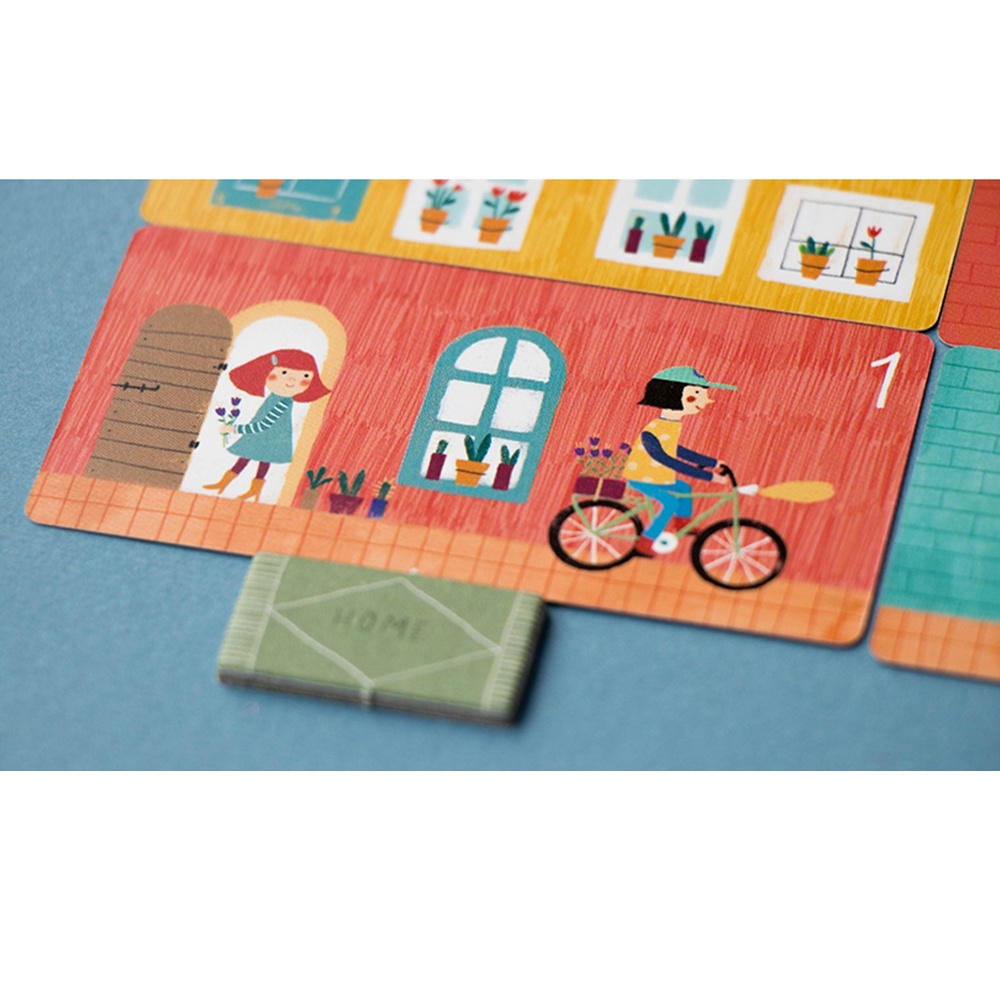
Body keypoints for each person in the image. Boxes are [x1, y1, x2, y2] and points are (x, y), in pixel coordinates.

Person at [624, 365, 737, 557]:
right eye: (696, 394)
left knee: (684, 488)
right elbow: (666, 459)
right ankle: (646, 541)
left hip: (656, 476)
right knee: (669, 503)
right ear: (673, 395)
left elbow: (676, 450)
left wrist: (712, 462)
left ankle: (682, 522)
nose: (705, 400)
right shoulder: (654, 429)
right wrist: (708, 476)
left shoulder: (670, 425)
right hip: (642, 476)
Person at [203, 349, 331, 501]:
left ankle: (252, 490)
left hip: (270, 437)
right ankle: (225, 484)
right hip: (263, 437)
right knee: (248, 459)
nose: (291, 381)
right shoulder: (275, 397)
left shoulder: (283, 402)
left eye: (305, 377)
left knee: (260, 461)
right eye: (284, 373)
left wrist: (235, 428)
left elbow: (264, 425)